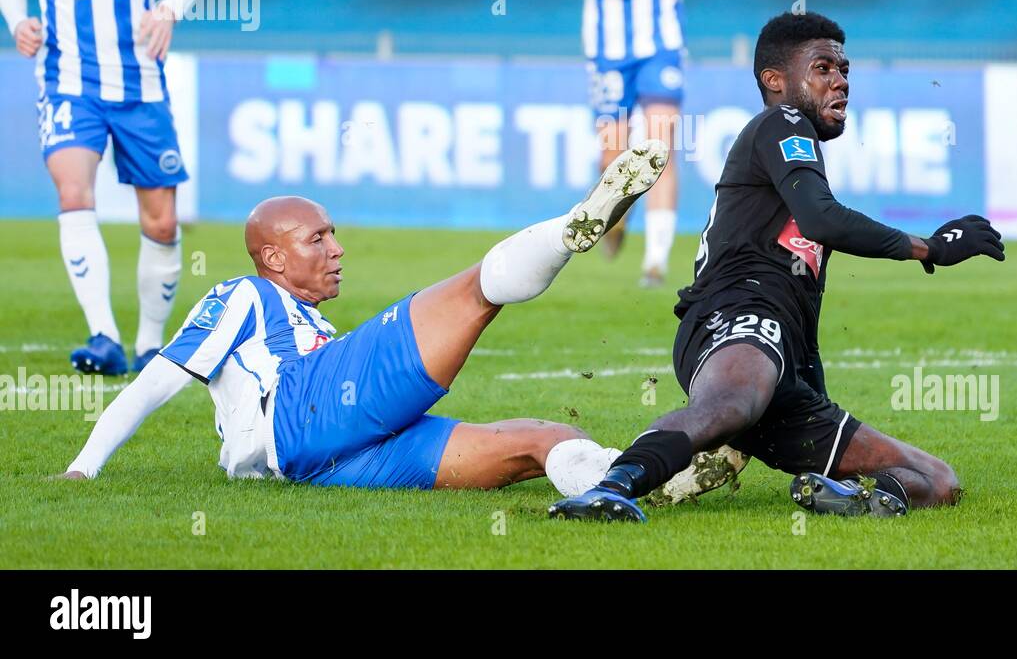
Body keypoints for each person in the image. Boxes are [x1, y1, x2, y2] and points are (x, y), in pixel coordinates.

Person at [550, 12, 1006, 523]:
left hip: (782, 358)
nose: (841, 81)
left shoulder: (797, 150)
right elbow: (822, 218)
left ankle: (842, 497)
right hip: (734, 317)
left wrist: (816, 394)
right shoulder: (782, 123)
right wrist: (931, 249)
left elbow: (802, 293)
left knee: (937, 482)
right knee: (733, 404)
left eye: (845, 70)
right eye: (824, 68)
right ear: (776, 81)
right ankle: (608, 488)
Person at [62, 144, 669, 495]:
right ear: (273, 257)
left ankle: (625, 486)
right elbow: (152, 384)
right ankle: (572, 228)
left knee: (540, 440)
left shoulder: (313, 325)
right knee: (473, 295)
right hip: (300, 414)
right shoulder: (244, 294)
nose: (336, 249)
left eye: (333, 235)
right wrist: (83, 467)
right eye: (317, 239)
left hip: (337, 459)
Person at [0, 0, 211, 376]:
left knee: (162, 221)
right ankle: (104, 337)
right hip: (68, 79)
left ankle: (149, 344)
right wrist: (19, 22)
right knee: (74, 193)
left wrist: (169, 8)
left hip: (141, 83)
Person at [538, 0, 695, 288]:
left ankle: (656, 262)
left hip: (662, 42)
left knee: (662, 147)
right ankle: (617, 214)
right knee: (614, 152)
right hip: (608, 47)